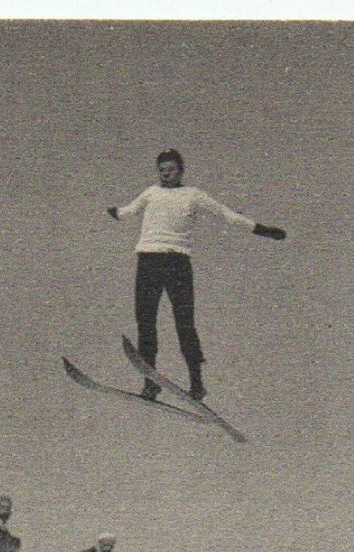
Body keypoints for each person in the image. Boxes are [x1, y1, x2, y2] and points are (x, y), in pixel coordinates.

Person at [108, 148, 286, 402]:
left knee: (185, 323)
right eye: (161, 170)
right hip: (148, 260)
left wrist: (262, 230)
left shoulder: (193, 196)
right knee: (145, 321)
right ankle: (150, 382)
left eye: (170, 169)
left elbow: (227, 215)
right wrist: (114, 212)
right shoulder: (150, 193)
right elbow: (128, 211)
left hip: (177, 262)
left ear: (180, 170)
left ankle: (196, 382)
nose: (165, 174)